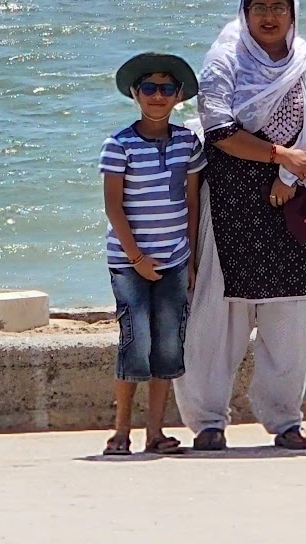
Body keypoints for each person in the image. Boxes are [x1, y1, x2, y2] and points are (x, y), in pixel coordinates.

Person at [176, 0, 306, 451]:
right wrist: (279, 157)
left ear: (293, 12)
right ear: (244, 13)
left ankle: (285, 419)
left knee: (287, 318)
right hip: (230, 202)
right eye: (259, 7)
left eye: (278, 7)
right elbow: (219, 128)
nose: (269, 16)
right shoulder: (224, 59)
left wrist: (291, 177)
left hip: (295, 202)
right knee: (215, 319)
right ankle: (207, 421)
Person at [99, 52, 206, 456]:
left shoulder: (187, 143)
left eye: (166, 89)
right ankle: (120, 432)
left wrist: (192, 259)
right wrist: (137, 257)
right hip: (129, 263)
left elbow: (192, 203)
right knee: (134, 340)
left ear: (178, 96)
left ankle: (155, 433)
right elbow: (114, 206)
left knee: (167, 345)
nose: (157, 96)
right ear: (134, 94)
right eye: (149, 88)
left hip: (176, 259)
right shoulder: (118, 144)